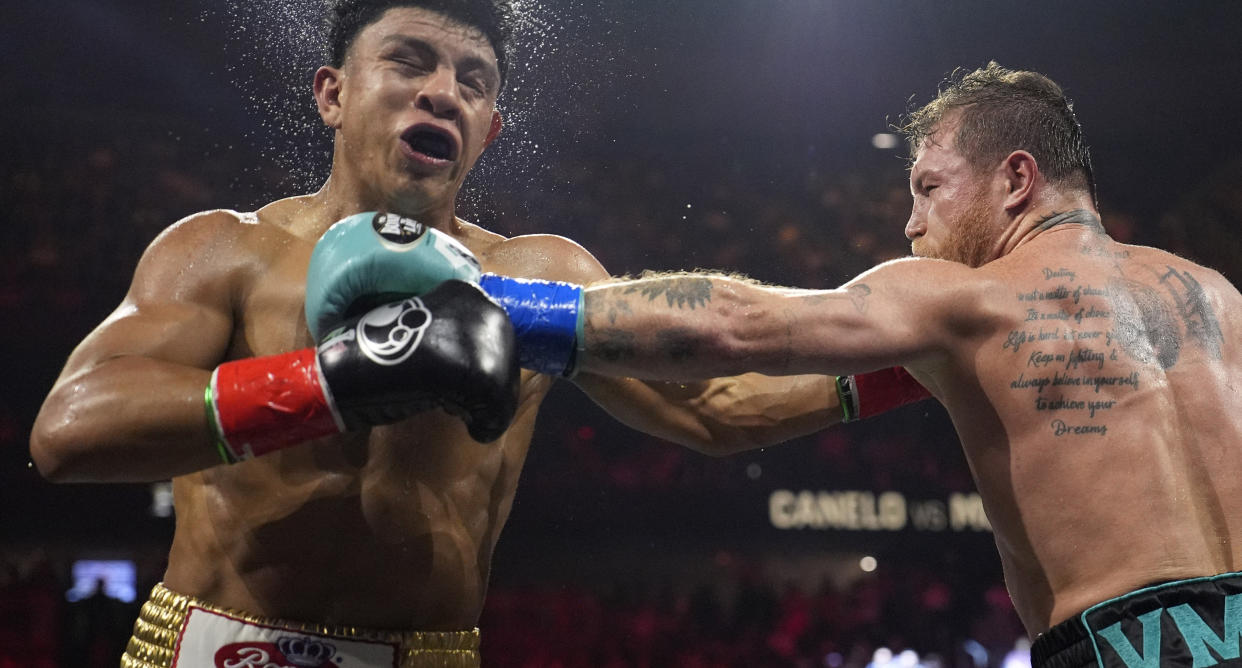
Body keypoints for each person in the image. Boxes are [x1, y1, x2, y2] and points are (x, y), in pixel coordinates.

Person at [30, 0, 899, 668]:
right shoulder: (226, 249)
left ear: (488, 130)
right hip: (209, 644)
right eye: (408, 61)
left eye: (472, 81)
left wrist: (925, 363)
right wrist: (338, 380)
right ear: (332, 93)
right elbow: (69, 431)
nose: (443, 89)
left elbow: (713, 406)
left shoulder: (540, 274)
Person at [428, 63, 1242, 668]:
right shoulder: (1219, 297)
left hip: (1122, 646)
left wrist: (489, 300)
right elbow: (724, 412)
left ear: (1016, 179)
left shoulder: (970, 297)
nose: (912, 224)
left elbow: (740, 326)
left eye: (929, 187)